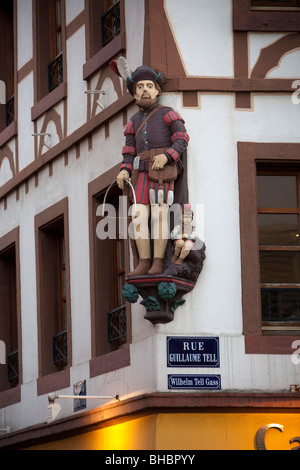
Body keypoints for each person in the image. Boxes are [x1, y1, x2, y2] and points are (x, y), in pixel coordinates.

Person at [111, 60, 190, 276]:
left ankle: (158, 261)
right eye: (140, 87)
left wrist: (167, 156)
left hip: (161, 173)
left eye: (148, 86)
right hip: (140, 173)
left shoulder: (168, 113)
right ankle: (144, 261)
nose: (144, 90)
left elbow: (182, 139)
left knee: (159, 215)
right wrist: (124, 170)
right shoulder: (134, 121)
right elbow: (129, 151)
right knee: (138, 215)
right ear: (134, 93)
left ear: (156, 89)